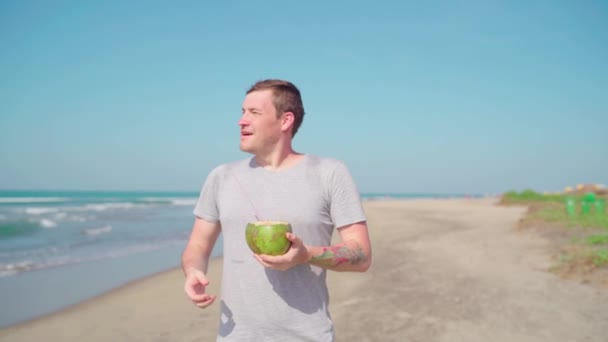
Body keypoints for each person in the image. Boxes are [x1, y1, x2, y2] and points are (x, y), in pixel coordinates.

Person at [181, 79, 372, 341]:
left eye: (254, 113)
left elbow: (361, 256)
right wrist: (193, 271)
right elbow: (198, 247)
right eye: (242, 112)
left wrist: (305, 255)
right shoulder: (221, 177)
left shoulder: (329, 173)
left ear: (285, 121)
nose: (241, 121)